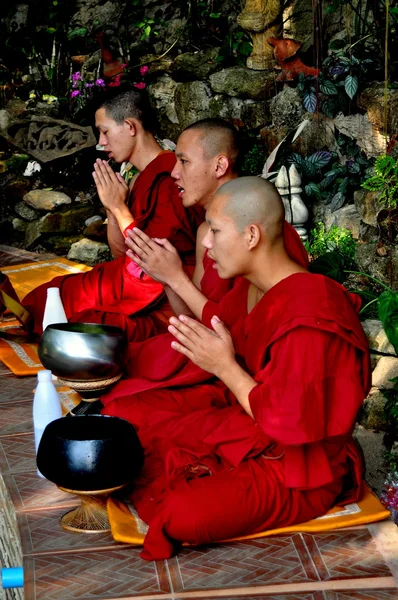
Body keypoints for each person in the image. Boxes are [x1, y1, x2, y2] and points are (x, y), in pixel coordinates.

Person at [103, 177, 371, 561]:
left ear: (251, 236)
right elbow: (220, 320)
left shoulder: (310, 311)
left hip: (301, 469)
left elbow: (289, 422)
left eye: (214, 230)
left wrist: (224, 367)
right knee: (140, 437)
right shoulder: (256, 285)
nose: (206, 243)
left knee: (179, 515)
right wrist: (173, 278)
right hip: (251, 422)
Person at [1, 90, 203, 339]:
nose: (101, 142)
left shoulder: (169, 178)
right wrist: (112, 206)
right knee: (48, 295)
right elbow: (122, 253)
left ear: (130, 126)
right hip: (130, 275)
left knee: (82, 322)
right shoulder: (141, 177)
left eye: (104, 131)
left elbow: (152, 262)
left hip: (161, 295)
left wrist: (119, 209)